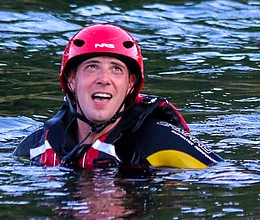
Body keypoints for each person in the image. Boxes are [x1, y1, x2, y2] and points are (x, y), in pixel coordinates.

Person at [14, 24, 221, 170]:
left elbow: (226, 175)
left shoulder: (159, 139)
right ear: (71, 80)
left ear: (130, 84)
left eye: (116, 69)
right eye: (92, 67)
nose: (104, 79)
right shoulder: (37, 145)